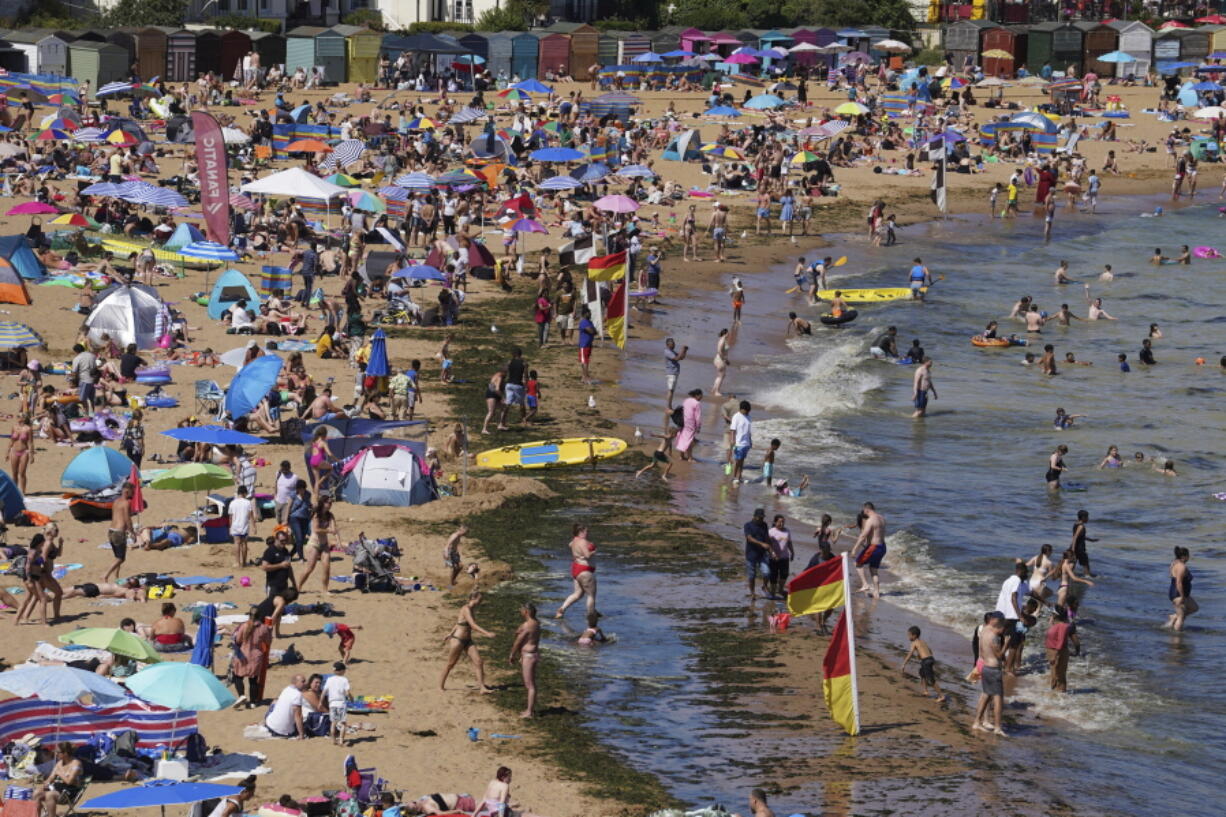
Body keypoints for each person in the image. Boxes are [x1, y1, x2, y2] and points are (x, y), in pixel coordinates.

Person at [439, 591, 494, 693]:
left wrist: (450, 632)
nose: (481, 601)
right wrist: (487, 633)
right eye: (480, 599)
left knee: (478, 661)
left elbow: (458, 622)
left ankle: (482, 687)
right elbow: (473, 625)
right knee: (450, 664)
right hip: (458, 640)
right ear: (473, 598)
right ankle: (440, 686)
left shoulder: (472, 609)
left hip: (468, 640)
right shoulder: (466, 609)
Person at [972, 613, 1007, 736]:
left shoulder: (984, 630)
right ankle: (997, 727)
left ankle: (977, 722)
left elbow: (980, 650)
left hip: (984, 665)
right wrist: (1006, 644)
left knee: (986, 695)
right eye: (1003, 628)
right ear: (999, 626)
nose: (1003, 631)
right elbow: (999, 656)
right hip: (993, 669)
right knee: (998, 698)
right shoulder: (994, 637)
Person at [229, 608, 272, 709]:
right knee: (253, 680)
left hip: (243, 654)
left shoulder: (244, 626)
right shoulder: (263, 628)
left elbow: (238, 640)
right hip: (256, 656)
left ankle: (241, 695)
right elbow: (268, 641)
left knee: (238, 677)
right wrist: (269, 631)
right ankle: (253, 702)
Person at [297, 495, 338, 593]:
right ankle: (298, 587)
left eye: (331, 503)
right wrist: (328, 530)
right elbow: (316, 529)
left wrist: (337, 539)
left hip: (324, 544)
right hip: (314, 544)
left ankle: (325, 589)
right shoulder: (316, 515)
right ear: (323, 503)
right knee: (310, 568)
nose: (330, 505)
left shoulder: (330, 515)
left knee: (327, 566)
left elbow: (334, 528)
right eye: (328, 502)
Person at [556, 523, 597, 618]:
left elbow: (570, 545)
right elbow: (587, 555)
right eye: (586, 531)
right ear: (580, 532)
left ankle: (562, 609)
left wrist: (579, 555)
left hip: (576, 569)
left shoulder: (574, 541)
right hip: (585, 570)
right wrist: (594, 551)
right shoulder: (582, 541)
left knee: (577, 594)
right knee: (591, 595)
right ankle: (591, 617)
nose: (588, 533)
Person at [33, 742, 84, 817]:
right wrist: (47, 783)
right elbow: (51, 777)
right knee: (37, 793)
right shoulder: (59, 763)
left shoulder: (76, 764)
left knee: (49, 795)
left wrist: (60, 773)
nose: (55, 754)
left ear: (65, 753)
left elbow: (69, 781)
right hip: (57, 789)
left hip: (69, 792)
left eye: (58, 752)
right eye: (55, 751)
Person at [509, 602, 541, 719]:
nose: (520, 612)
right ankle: (529, 709)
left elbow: (518, 641)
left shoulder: (528, 625)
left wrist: (512, 654)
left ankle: (529, 711)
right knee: (530, 684)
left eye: (521, 610)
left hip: (529, 656)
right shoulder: (535, 623)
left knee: (530, 685)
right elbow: (522, 634)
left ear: (526, 612)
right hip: (532, 654)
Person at [901, 626, 946, 702]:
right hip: (930, 659)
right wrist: (921, 656)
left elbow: (910, 654)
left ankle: (941, 696)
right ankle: (926, 691)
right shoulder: (923, 641)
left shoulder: (914, 643)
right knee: (922, 673)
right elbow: (930, 651)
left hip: (926, 661)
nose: (908, 637)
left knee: (931, 680)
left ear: (914, 635)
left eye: (909, 635)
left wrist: (904, 664)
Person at [852, 502, 887, 599]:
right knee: (874, 570)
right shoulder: (882, 518)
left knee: (858, 563)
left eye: (864, 510)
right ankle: (877, 592)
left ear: (867, 509)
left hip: (874, 547)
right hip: (883, 547)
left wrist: (855, 549)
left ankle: (865, 584)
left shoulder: (871, 520)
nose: (863, 512)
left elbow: (863, 535)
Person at [104, 482, 135, 583]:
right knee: (121, 558)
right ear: (126, 491)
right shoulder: (126, 503)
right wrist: (132, 532)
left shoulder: (116, 501)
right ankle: (105, 575)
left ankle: (116, 576)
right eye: (132, 492)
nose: (133, 494)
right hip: (119, 532)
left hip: (111, 531)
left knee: (117, 557)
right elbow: (127, 519)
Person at [1044, 606, 1079, 692]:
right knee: (1055, 674)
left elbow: (1061, 641)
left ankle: (1061, 695)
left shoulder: (1063, 626)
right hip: (1052, 650)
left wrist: (1055, 656)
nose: (1051, 614)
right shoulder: (1056, 624)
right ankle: (1055, 695)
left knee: (1059, 675)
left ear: (1056, 615)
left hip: (1058, 651)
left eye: (1052, 613)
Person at [1167, 546, 1197, 631]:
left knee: (1195, 608)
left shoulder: (1174, 562)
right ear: (1184, 556)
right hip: (1178, 594)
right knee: (1181, 617)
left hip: (1181, 593)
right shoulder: (1181, 567)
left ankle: (1174, 617)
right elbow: (1178, 582)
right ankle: (1177, 638)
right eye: (1188, 555)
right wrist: (1182, 596)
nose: (1189, 557)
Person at [743, 508, 771, 600]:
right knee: (752, 575)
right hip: (751, 554)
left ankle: (764, 587)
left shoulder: (764, 525)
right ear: (754, 517)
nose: (762, 519)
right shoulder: (748, 525)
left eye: (763, 517)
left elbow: (767, 538)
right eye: (760, 517)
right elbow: (749, 538)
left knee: (766, 572)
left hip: (762, 554)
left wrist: (771, 551)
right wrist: (762, 544)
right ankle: (752, 593)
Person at [323, 661, 352, 746]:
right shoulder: (344, 679)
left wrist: (321, 702)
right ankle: (341, 741)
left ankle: (333, 740)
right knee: (343, 723)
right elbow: (348, 692)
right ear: (342, 671)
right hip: (341, 704)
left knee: (333, 723)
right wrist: (352, 699)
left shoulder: (329, 679)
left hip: (332, 704)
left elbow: (324, 692)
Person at [766, 514, 794, 599]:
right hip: (773, 558)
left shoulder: (787, 531)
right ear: (775, 522)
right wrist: (773, 553)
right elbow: (768, 545)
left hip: (785, 557)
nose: (781, 524)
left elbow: (789, 543)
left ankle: (780, 589)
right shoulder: (771, 531)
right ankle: (773, 592)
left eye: (783, 522)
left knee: (784, 575)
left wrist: (792, 552)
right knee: (773, 576)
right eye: (779, 522)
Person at [229, 485, 256, 568]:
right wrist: (254, 526)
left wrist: (230, 527)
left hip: (235, 525)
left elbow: (230, 517)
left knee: (237, 543)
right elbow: (251, 516)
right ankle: (244, 563)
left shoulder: (232, 503)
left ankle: (237, 562)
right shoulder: (248, 502)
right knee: (244, 543)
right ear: (245, 493)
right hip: (244, 525)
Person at [729, 399, 752, 483]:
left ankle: (739, 477)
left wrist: (750, 441)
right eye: (747, 410)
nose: (748, 412)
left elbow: (749, 431)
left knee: (742, 461)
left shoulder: (749, 417)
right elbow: (732, 430)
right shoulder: (736, 416)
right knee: (737, 461)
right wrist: (732, 440)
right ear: (742, 409)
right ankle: (734, 477)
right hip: (738, 443)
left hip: (746, 443)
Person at [1071, 509, 1097, 577]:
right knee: (1085, 564)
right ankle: (1087, 576)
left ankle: (1069, 575)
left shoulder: (1076, 524)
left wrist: (1091, 540)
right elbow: (1075, 537)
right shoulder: (1081, 526)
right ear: (1083, 517)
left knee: (1073, 563)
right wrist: (1073, 550)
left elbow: (1081, 537)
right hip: (1079, 548)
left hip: (1075, 547)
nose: (1088, 519)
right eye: (1087, 517)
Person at [664, 338, 688, 408]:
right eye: (672, 344)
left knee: (672, 390)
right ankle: (668, 406)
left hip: (674, 373)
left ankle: (669, 405)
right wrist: (682, 350)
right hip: (671, 373)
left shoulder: (672, 351)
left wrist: (685, 351)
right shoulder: (667, 352)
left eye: (674, 343)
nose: (674, 345)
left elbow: (681, 357)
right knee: (670, 390)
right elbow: (677, 358)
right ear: (668, 344)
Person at [273, 461, 299, 525]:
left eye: (285, 470)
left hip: (287, 503)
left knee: (285, 521)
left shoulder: (294, 477)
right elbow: (276, 483)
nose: (284, 471)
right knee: (278, 519)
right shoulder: (278, 474)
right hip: (278, 501)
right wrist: (275, 494)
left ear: (289, 468)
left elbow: (297, 490)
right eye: (282, 469)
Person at [576, 307, 596, 384]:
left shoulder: (589, 322)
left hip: (589, 344)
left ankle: (584, 376)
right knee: (585, 361)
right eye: (589, 313)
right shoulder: (583, 322)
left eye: (590, 312)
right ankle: (585, 377)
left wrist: (593, 331)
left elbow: (594, 331)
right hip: (583, 345)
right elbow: (591, 331)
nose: (590, 314)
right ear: (585, 314)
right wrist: (592, 330)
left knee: (586, 361)